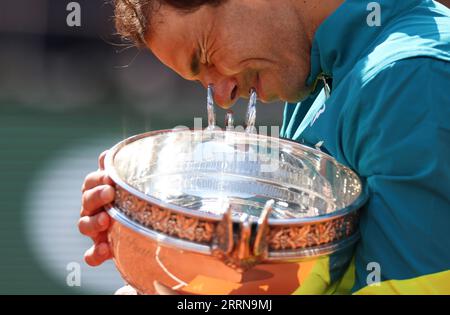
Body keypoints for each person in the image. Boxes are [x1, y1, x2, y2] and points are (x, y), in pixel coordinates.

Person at [79, 0, 450, 294]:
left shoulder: (412, 78)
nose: (223, 97)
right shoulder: (317, 82)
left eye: (206, 56)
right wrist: (160, 241)